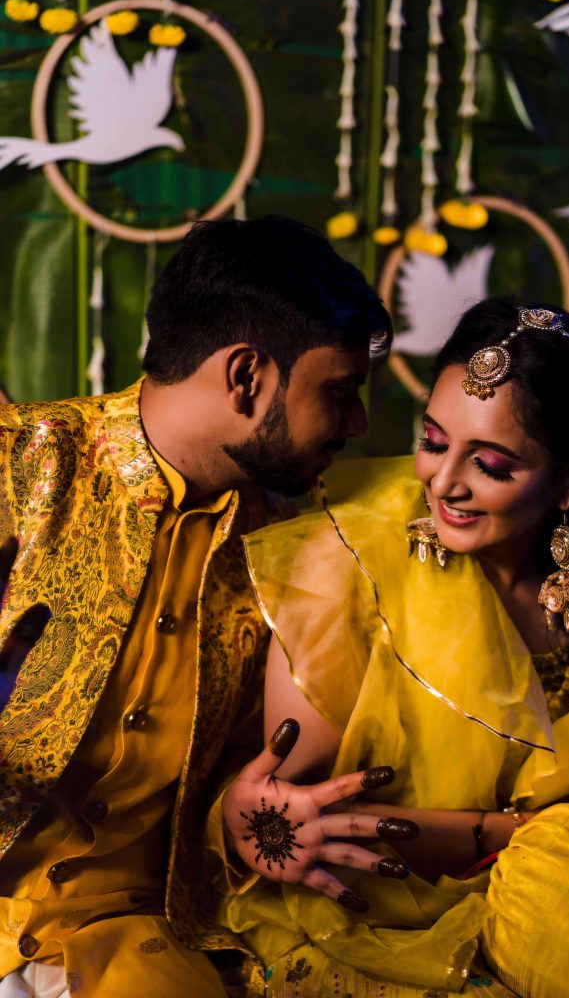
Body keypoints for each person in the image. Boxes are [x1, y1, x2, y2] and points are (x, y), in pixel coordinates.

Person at [220, 299, 569, 997]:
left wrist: (523, 842)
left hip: (545, 913)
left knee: (566, 861)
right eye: (433, 441)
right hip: (359, 912)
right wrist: (513, 832)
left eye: (490, 464)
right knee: (557, 850)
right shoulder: (346, 558)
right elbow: (309, 816)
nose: (443, 483)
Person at [0, 215, 412, 998]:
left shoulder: (289, 549)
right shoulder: (23, 464)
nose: (357, 425)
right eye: (339, 391)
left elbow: (229, 766)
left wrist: (238, 812)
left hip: (124, 933)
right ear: (246, 376)